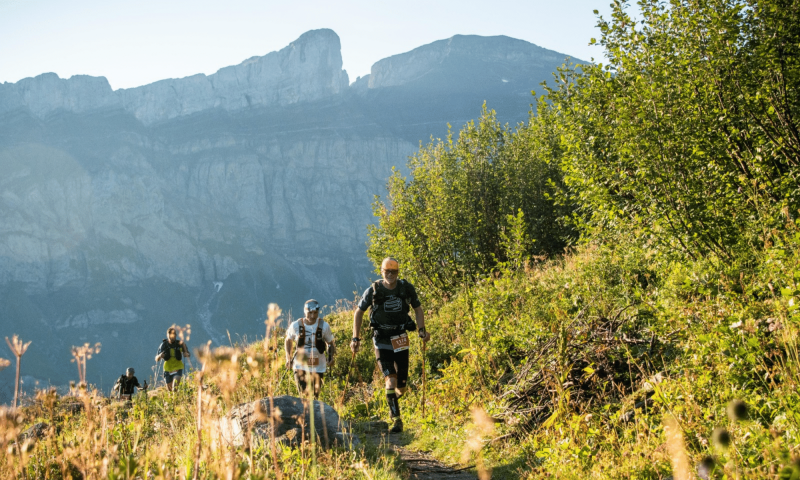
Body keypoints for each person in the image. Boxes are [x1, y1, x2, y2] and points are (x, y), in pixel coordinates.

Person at [350, 257, 430, 433]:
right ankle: (396, 419)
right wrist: (355, 338)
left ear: (398, 272)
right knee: (390, 379)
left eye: (393, 271)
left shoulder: (405, 288)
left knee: (401, 386)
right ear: (382, 272)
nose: (390, 275)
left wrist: (422, 330)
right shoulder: (373, 290)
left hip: (400, 338)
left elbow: (418, 309)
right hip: (381, 340)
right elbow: (359, 312)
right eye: (387, 271)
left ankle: (394, 397)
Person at [284, 299, 336, 398]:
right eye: (310, 313)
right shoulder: (296, 325)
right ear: (305, 311)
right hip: (300, 367)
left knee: (315, 397)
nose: (312, 316)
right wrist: (288, 358)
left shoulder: (324, 326)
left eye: (315, 313)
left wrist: (331, 357)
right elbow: (288, 340)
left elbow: (330, 343)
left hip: (318, 368)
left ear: (318, 312)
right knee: (304, 397)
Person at [155, 327, 190, 392]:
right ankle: (174, 401)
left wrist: (186, 354)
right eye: (170, 335)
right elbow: (156, 359)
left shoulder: (180, 344)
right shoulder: (163, 345)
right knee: (170, 391)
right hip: (167, 369)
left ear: (176, 335)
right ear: (167, 335)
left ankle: (176, 400)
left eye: (173, 335)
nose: (172, 337)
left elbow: (188, 354)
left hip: (178, 367)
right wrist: (160, 356)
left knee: (175, 388)